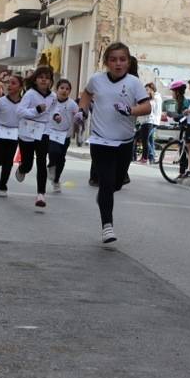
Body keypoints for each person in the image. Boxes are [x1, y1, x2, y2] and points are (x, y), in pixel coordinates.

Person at [78, 42, 151, 244]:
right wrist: (82, 111)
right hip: (101, 140)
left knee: (116, 183)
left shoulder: (134, 82)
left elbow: (146, 107)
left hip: (124, 142)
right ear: (106, 62)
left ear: (128, 62)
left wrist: (131, 110)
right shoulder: (97, 80)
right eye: (113, 59)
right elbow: (86, 94)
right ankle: (107, 226)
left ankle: (104, 196)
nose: (118, 63)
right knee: (107, 182)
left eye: (122, 59)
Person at [18, 65, 56, 209]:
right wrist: (36, 110)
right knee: (28, 163)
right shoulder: (30, 94)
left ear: (51, 81)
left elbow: (52, 111)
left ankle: (41, 194)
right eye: (41, 78)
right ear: (35, 80)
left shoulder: (53, 97)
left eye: (47, 78)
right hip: (28, 129)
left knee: (41, 161)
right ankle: (22, 168)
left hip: (43, 131)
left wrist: (56, 116)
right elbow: (20, 111)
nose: (44, 80)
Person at [46, 78, 78, 193]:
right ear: (57, 89)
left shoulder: (72, 104)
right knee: (54, 151)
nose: (64, 91)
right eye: (62, 88)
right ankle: (51, 165)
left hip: (65, 134)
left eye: (67, 89)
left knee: (61, 158)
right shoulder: (51, 101)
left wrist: (79, 118)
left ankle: (56, 180)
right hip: (52, 132)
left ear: (70, 91)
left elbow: (78, 117)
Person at [135, 82, 160, 164]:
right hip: (147, 121)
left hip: (149, 121)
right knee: (148, 140)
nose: (145, 91)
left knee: (145, 140)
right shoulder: (150, 99)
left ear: (151, 90)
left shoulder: (154, 99)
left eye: (147, 90)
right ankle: (150, 157)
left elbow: (150, 111)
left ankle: (147, 157)